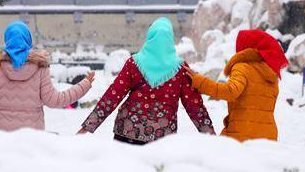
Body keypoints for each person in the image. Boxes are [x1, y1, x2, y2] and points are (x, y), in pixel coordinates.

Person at [78, 17, 215, 144]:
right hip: (162, 137)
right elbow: (194, 105)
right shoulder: (180, 69)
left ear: (150, 37)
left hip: (127, 134)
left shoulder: (134, 63)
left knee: (124, 170)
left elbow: (113, 95)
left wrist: (89, 125)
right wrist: (209, 134)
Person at [0, 21, 94, 132]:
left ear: (7, 40)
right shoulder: (40, 67)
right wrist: (85, 84)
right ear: (28, 40)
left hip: (1, 137)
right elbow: (55, 100)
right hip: (31, 137)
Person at [186, 29, 288, 142]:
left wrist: (201, 82)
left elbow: (230, 91)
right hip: (269, 137)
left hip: (243, 135)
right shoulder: (271, 73)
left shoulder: (242, 67)